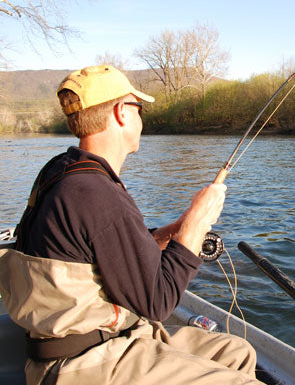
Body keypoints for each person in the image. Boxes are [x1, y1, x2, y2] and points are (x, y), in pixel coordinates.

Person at [0, 65, 263, 384]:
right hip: (80, 363)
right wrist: (197, 222)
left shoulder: (63, 172)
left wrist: (177, 230)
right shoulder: (93, 193)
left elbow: (106, 248)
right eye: (139, 109)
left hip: (101, 341)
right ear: (122, 112)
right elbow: (158, 302)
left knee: (237, 353)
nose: (142, 119)